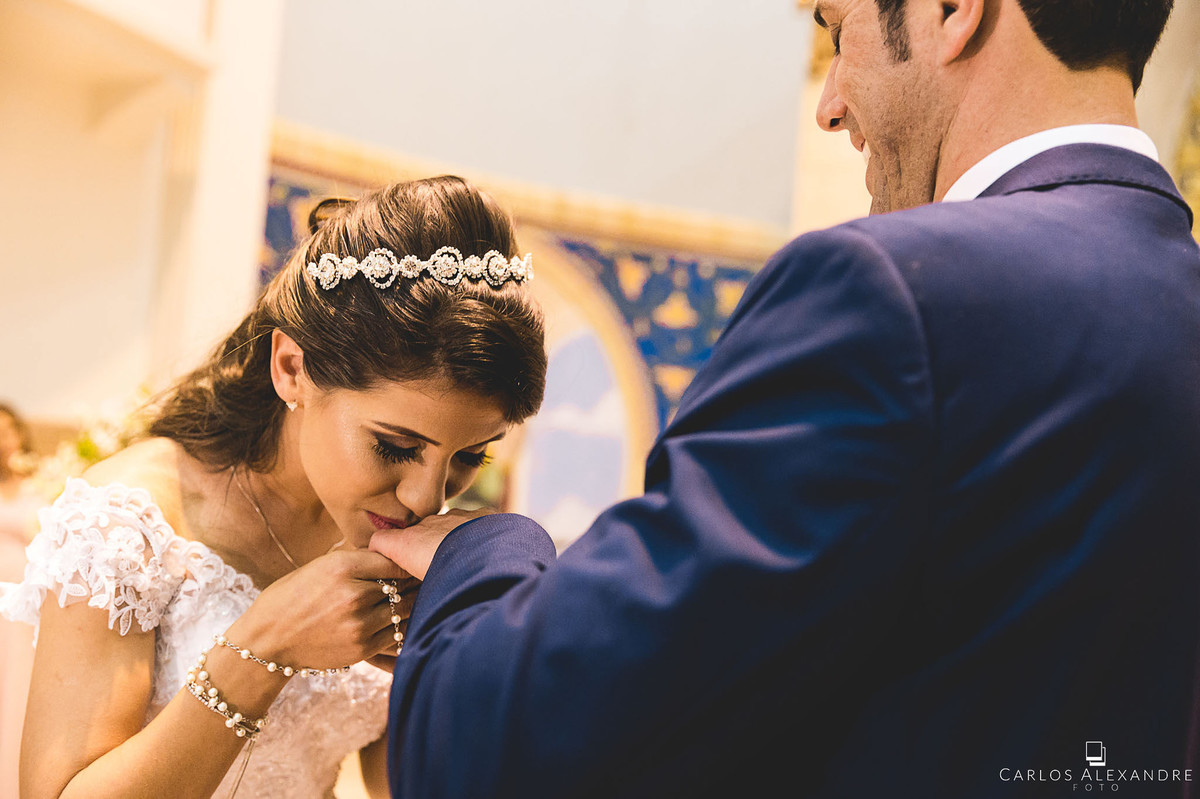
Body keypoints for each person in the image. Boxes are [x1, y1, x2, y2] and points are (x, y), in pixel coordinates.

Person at [369, 1, 1200, 796]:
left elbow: (486, 755)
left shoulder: (890, 297)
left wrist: (482, 549)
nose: (829, 107)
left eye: (838, 31)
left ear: (954, 9)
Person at [0, 175, 546, 799]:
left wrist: (449, 662)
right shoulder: (128, 525)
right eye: (395, 446)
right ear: (292, 369)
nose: (426, 498)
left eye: (470, 456)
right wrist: (265, 645)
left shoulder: (411, 546)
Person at [0, 402, 42, 797]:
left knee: (17, 691)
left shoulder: (39, 482)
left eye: (9, 430)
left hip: (22, 607)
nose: (3, 439)